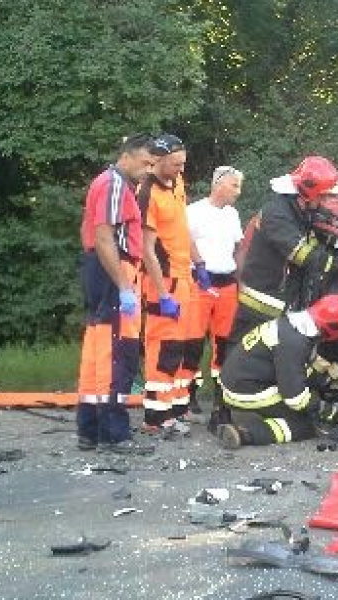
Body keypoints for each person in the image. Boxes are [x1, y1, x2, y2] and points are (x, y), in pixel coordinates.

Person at [75, 135, 155, 454]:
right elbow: (104, 237)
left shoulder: (107, 183)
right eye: (145, 163)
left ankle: (90, 429)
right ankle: (114, 433)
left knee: (97, 351)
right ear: (127, 156)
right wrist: (124, 286)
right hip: (114, 272)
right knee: (116, 352)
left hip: (103, 271)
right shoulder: (115, 185)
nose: (148, 170)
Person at [228, 156, 338, 347]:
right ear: (309, 193)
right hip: (262, 303)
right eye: (322, 197)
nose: (324, 202)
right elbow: (303, 256)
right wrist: (336, 260)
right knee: (244, 357)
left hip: (277, 300)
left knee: (267, 362)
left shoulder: (296, 211)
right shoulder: (277, 214)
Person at [216, 294, 338, 448]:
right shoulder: (295, 342)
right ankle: (244, 434)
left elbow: (295, 369)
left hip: (237, 381)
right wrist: (323, 409)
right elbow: (295, 398)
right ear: (333, 328)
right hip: (245, 391)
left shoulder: (291, 325)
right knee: (304, 425)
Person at [136, 134, 199, 436]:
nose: (179, 169)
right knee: (163, 347)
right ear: (158, 161)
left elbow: (181, 228)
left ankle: (171, 408)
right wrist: (162, 294)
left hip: (183, 275)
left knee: (180, 347)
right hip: (163, 280)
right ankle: (154, 417)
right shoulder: (147, 192)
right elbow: (147, 249)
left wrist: (198, 264)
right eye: (175, 164)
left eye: (182, 164)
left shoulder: (177, 183)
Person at [185, 166, 245, 415]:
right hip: (200, 281)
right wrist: (199, 267)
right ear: (218, 184)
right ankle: (188, 393)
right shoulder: (194, 211)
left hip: (227, 283)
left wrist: (241, 279)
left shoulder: (232, 214)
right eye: (234, 186)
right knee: (193, 340)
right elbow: (185, 241)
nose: (238, 192)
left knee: (225, 342)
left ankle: (222, 394)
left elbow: (238, 247)